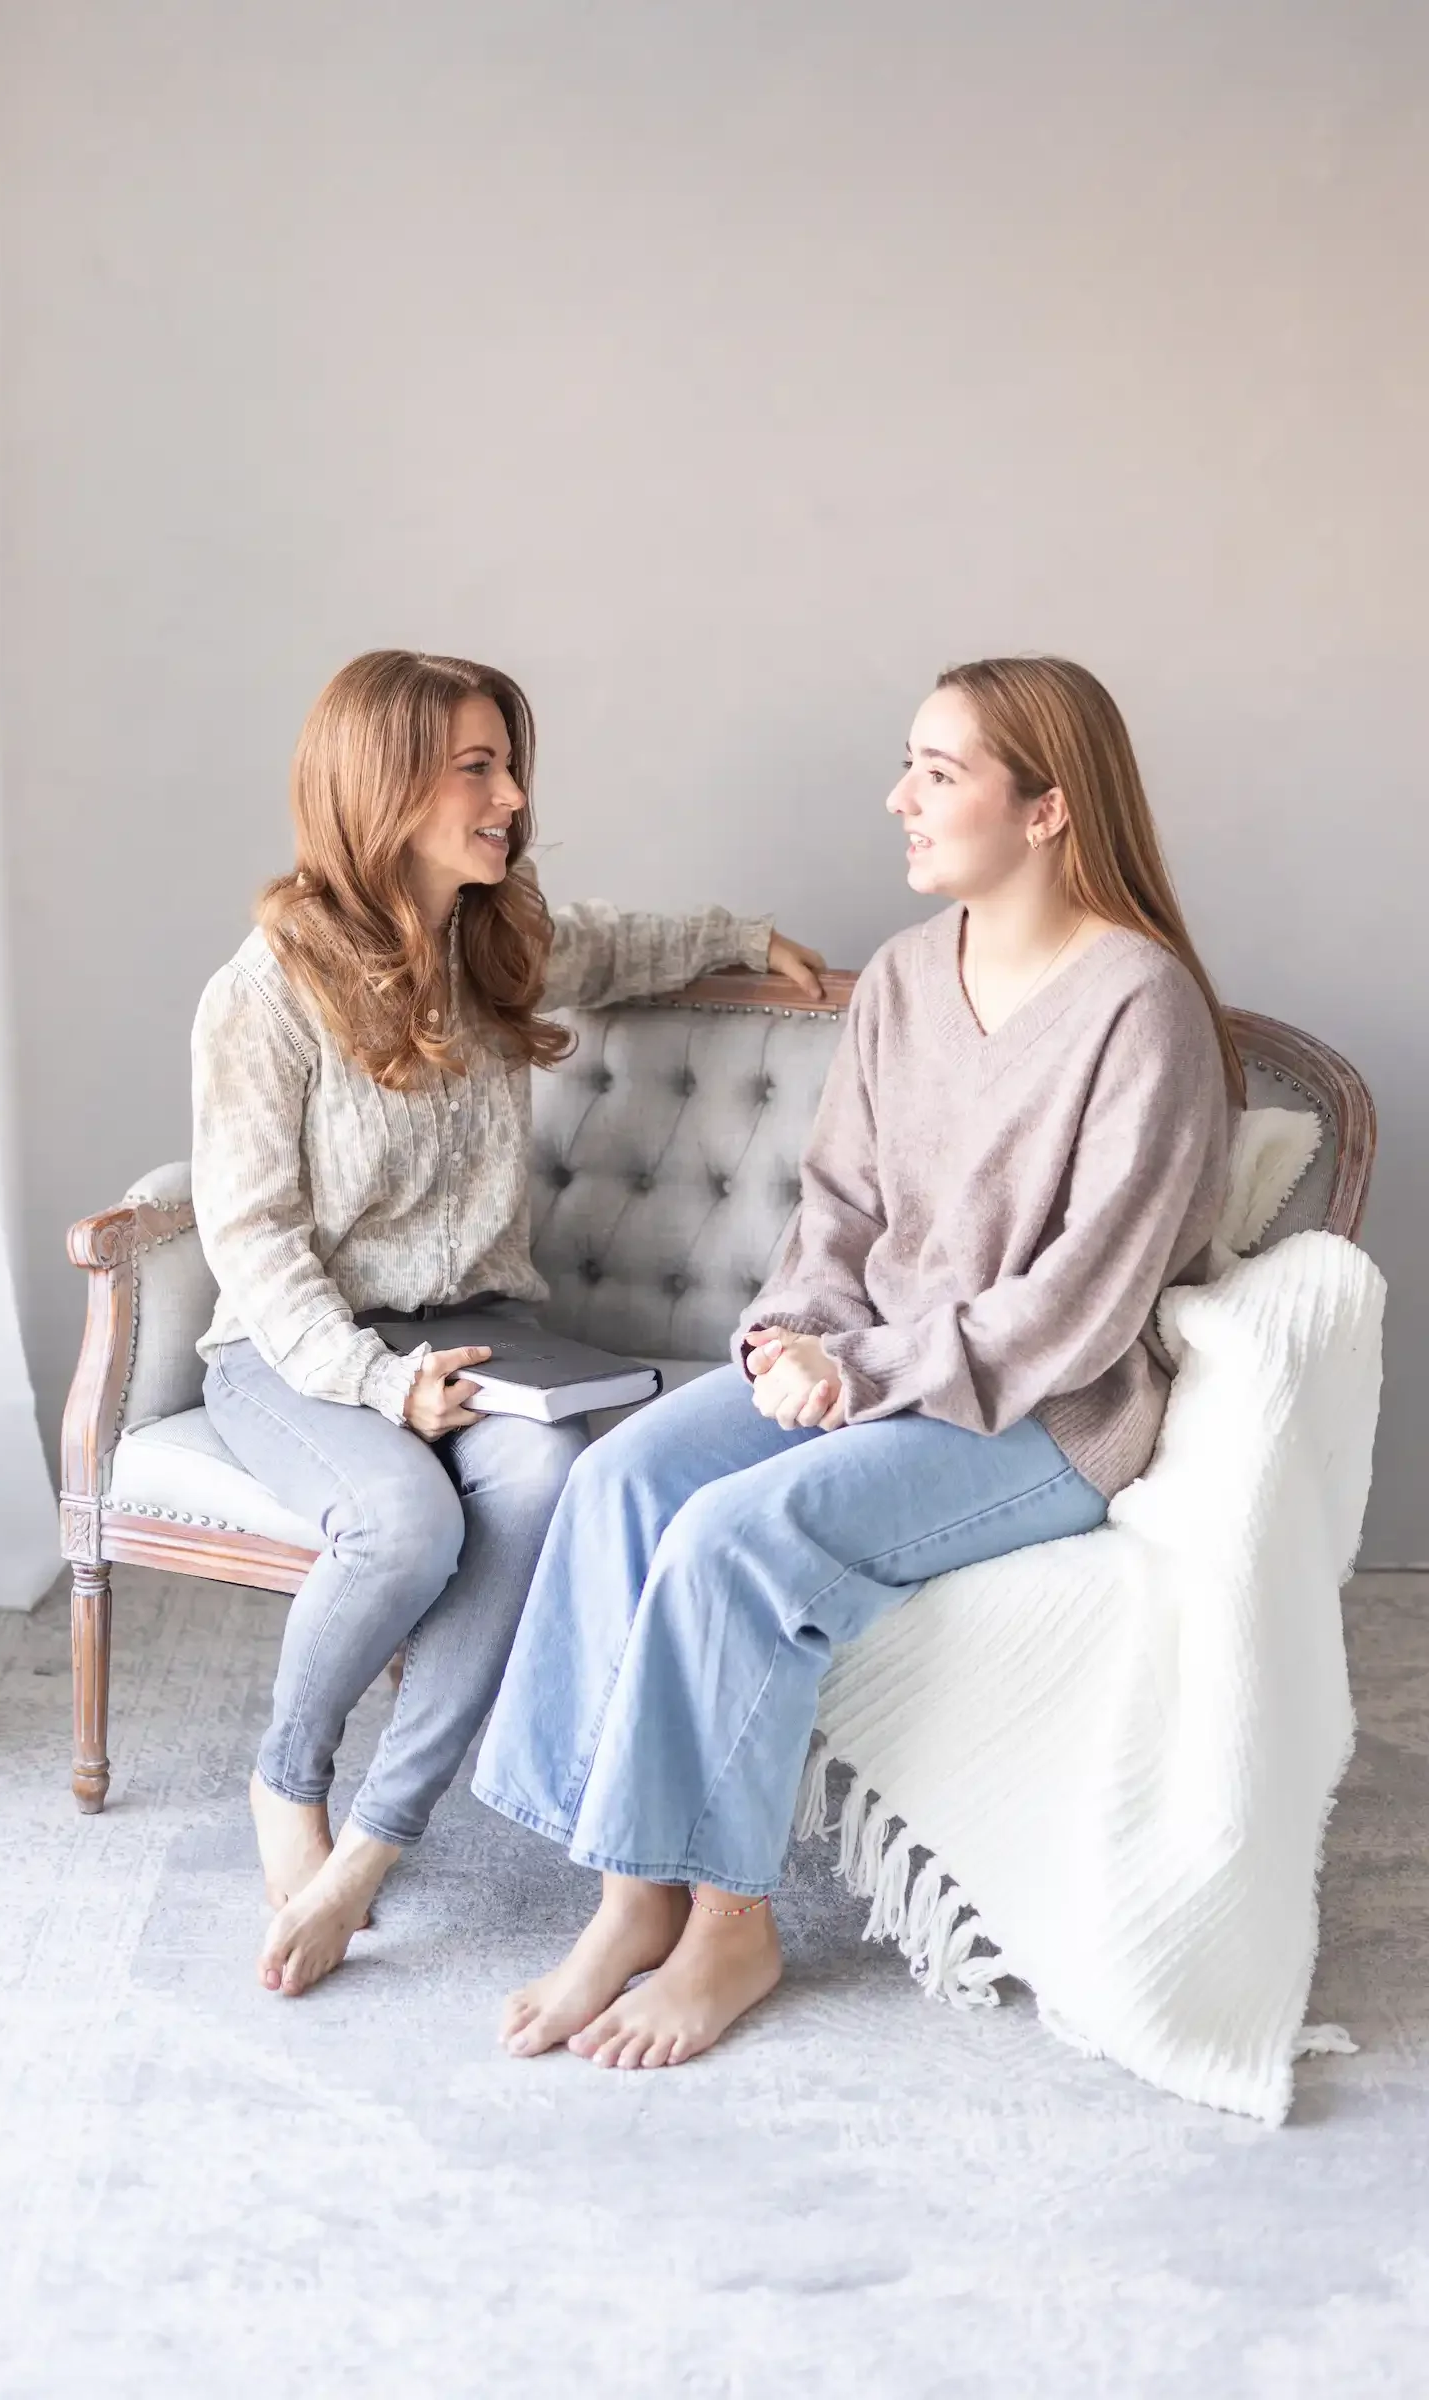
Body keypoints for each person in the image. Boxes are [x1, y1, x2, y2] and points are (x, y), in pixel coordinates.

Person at [474, 655, 1239, 2070]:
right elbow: (838, 1213)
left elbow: (1083, 1301)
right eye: (911, 764)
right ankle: (631, 1889)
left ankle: (730, 1922)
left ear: (1050, 809)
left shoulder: (1144, 1010)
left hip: (1042, 1413)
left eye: (939, 774)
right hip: (875, 1361)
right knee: (626, 1479)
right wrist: (796, 1340)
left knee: (734, 1539)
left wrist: (863, 1376)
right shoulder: (897, 979)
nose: (901, 798)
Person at [192, 648, 825, 1996]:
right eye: (476, 767)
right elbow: (252, 1245)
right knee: (409, 1524)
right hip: (300, 1351)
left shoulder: (497, 936)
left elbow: (613, 940)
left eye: (506, 761)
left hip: (481, 1331)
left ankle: (373, 1844)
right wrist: (373, 1386)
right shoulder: (265, 992)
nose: (511, 793)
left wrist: (738, 936)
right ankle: (286, 1777)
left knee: (553, 1476)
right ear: (387, 785)